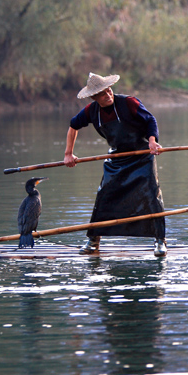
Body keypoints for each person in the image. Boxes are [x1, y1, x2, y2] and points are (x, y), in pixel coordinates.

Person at [64, 73, 167, 256]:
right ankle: (93, 240)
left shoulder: (128, 103)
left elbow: (150, 120)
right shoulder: (91, 111)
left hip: (142, 156)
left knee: (152, 195)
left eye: (109, 90)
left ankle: (160, 241)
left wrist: (152, 141)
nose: (108, 95)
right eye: (103, 94)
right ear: (94, 97)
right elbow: (73, 126)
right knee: (104, 196)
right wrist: (68, 154)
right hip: (116, 158)